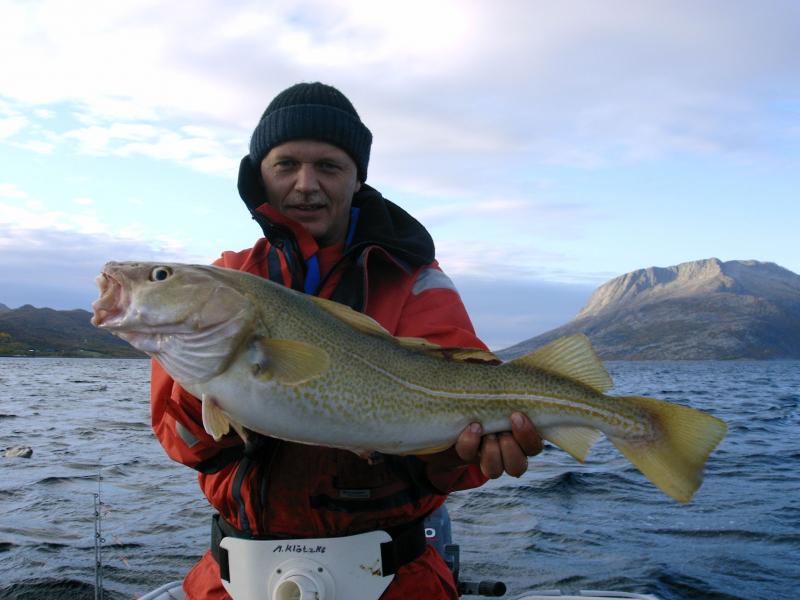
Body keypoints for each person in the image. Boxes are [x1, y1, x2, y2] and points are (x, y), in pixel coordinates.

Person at [151, 82, 543, 600]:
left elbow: (455, 437)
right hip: (234, 578)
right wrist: (210, 381)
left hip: (393, 582)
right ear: (259, 174)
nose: (306, 184)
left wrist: (460, 456)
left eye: (329, 166)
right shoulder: (225, 282)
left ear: (357, 178)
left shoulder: (414, 279)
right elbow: (185, 446)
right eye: (285, 164)